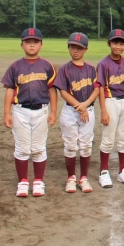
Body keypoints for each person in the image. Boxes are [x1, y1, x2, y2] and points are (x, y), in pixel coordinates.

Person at [1, 28, 57, 197]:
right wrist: (7, 113)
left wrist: (53, 111)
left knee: (39, 148)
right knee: (22, 148)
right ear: (22, 45)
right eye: (28, 42)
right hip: (20, 111)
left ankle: (38, 181)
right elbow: (9, 90)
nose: (32, 45)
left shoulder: (47, 65)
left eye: (35, 42)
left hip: (41, 111)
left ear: (41, 45)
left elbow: (52, 90)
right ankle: (23, 182)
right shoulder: (15, 66)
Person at [53, 32, 100, 194]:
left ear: (86, 49)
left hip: (88, 110)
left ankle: (84, 177)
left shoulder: (91, 69)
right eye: (73, 46)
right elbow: (63, 92)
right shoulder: (65, 69)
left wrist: (85, 106)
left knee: (86, 145)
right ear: (68, 47)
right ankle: (71, 178)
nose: (76, 50)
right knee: (70, 145)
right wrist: (80, 107)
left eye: (79, 47)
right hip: (70, 111)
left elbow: (97, 89)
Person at [96, 29, 124, 188]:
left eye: (121, 43)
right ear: (109, 43)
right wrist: (103, 111)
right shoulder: (103, 64)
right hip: (110, 101)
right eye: (115, 43)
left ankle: (122, 171)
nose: (118, 46)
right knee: (108, 138)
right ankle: (104, 172)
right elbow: (100, 88)